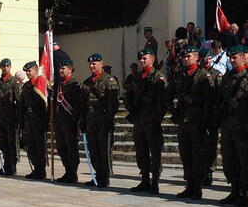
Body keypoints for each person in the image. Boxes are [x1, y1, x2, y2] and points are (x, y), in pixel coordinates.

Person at [216, 44, 248, 207]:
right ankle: (234, 189)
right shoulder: (228, 76)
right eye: (230, 57)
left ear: (243, 57)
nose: (232, 60)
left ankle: (245, 192)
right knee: (229, 159)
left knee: (245, 161)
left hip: (244, 127)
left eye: (235, 57)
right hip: (228, 126)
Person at [169, 45, 214, 199]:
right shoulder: (179, 75)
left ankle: (197, 187)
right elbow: (169, 93)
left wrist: (205, 120)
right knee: (185, 154)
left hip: (197, 121)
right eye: (184, 57)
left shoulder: (203, 76)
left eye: (189, 56)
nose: (186, 59)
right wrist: (173, 111)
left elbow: (209, 101)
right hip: (183, 120)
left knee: (198, 155)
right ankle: (189, 184)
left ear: (196, 58)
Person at [125, 48, 168, 194]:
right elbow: (128, 94)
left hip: (152, 121)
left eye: (145, 59)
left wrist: (157, 119)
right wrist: (130, 106)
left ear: (153, 59)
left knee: (155, 152)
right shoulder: (136, 77)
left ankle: (155, 181)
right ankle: (144, 180)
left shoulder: (158, 77)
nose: (142, 61)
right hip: (139, 119)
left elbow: (162, 102)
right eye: (141, 59)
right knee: (141, 151)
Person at [81, 53, 119, 187]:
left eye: (94, 64)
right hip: (91, 119)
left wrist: (110, 118)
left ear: (101, 64)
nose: (92, 66)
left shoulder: (109, 80)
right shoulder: (86, 82)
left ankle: (105, 176)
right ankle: (97, 174)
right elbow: (83, 103)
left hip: (103, 119)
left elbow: (113, 102)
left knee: (104, 149)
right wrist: (83, 121)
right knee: (94, 149)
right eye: (90, 64)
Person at [54, 59, 83, 183]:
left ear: (70, 69)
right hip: (60, 122)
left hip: (70, 122)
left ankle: (73, 172)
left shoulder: (75, 85)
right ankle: (67, 170)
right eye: (60, 68)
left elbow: (78, 105)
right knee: (61, 148)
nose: (61, 70)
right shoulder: (59, 84)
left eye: (63, 68)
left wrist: (76, 120)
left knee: (71, 148)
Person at [20, 61, 47, 179]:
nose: (27, 73)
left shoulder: (41, 83)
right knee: (30, 145)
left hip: (38, 119)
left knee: (39, 145)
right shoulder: (26, 86)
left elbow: (45, 104)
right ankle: (36, 168)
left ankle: (41, 170)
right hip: (28, 119)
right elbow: (22, 104)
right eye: (26, 71)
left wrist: (46, 121)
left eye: (29, 70)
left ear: (35, 70)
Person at [0, 59, 19, 175]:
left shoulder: (14, 82)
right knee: (2, 142)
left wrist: (18, 117)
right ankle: (6, 164)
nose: (5, 68)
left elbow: (18, 100)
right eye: (3, 66)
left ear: (10, 67)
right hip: (0, 117)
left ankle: (12, 165)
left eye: (7, 66)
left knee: (11, 142)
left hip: (11, 117)